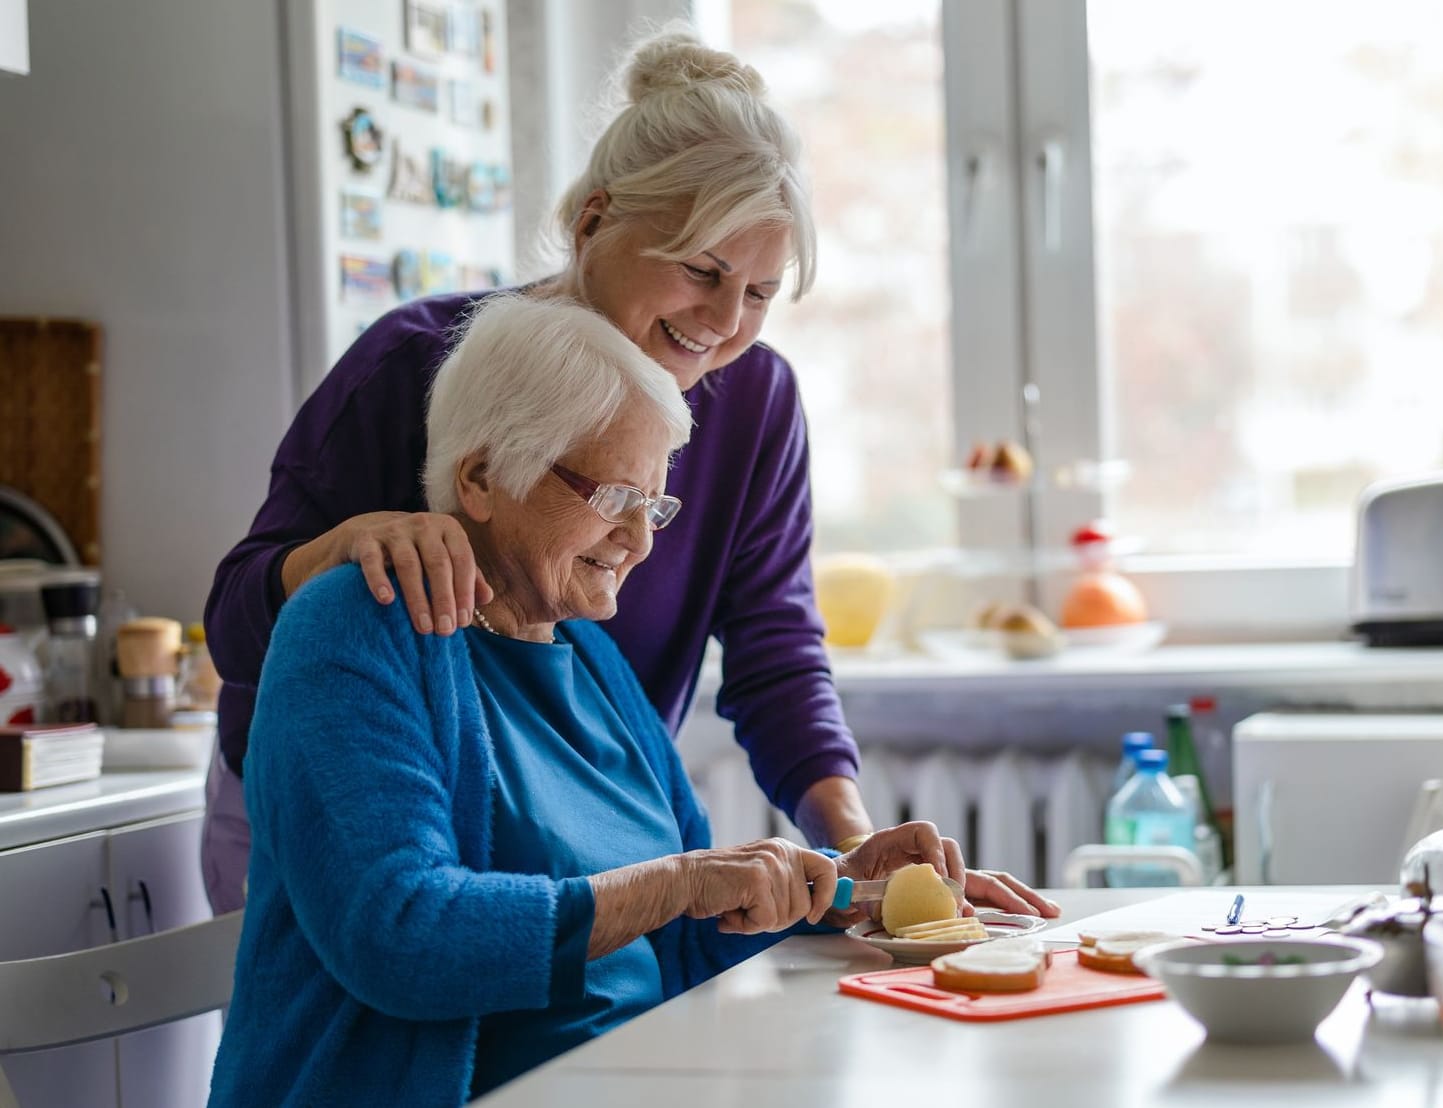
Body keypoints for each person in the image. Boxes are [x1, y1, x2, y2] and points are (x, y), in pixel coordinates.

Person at [201, 27, 1057, 921]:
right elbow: (234, 625)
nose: (726, 320)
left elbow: (774, 648)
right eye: (702, 269)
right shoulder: (415, 364)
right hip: (345, 825)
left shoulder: (753, 401)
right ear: (592, 220)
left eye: (761, 292)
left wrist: (847, 843)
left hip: (559, 836)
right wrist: (340, 548)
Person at [207, 294, 969, 1105]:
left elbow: (684, 935)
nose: (640, 540)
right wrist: (679, 880)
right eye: (612, 498)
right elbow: (402, 935)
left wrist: (840, 888)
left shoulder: (593, 660)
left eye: (654, 505)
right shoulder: (356, 629)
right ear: (482, 476)